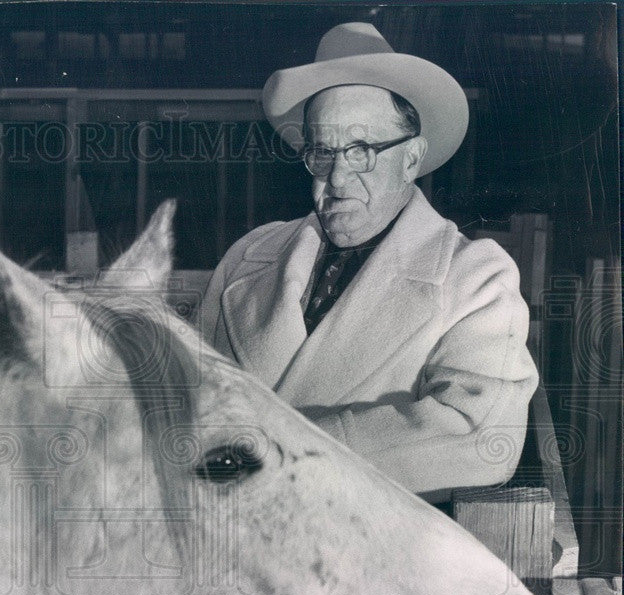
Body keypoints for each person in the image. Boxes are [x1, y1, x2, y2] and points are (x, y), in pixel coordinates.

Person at [197, 22, 538, 500]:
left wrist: (281, 454)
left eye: (361, 151)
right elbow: (186, 401)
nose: (336, 177)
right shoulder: (248, 257)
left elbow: (481, 438)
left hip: (377, 557)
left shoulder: (476, 278)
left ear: (412, 159)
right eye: (321, 151)